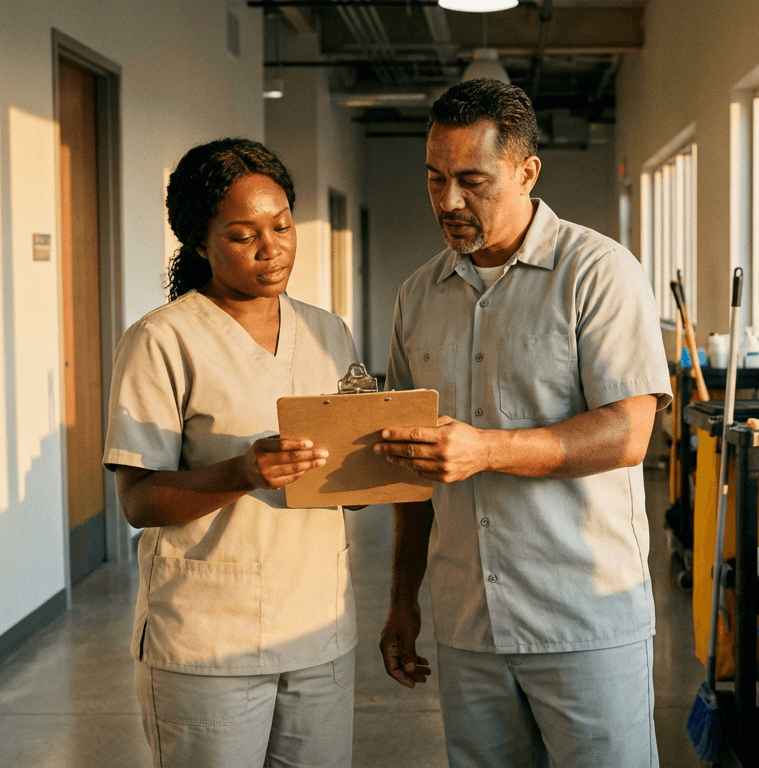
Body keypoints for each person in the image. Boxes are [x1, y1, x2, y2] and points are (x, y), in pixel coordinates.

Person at [374, 79, 672, 768]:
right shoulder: (418, 296)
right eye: (435, 178)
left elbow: (631, 432)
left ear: (526, 171)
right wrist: (401, 600)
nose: (449, 201)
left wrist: (485, 450)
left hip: (582, 618)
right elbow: (410, 471)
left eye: (472, 180)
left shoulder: (597, 273)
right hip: (468, 621)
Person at [103, 138, 365, 768]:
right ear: (200, 242)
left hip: (318, 628)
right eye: (244, 234)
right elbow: (139, 500)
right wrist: (243, 472)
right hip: (208, 640)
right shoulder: (161, 340)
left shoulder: (329, 333)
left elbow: (351, 474)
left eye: (281, 226)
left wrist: (382, 457)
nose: (271, 247)